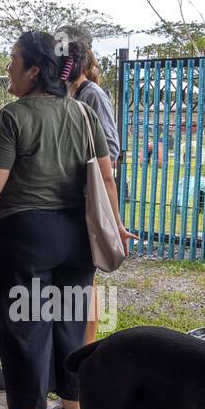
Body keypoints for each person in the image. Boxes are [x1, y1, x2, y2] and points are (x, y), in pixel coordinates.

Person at [0, 30, 133, 409]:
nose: (8, 67)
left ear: (35, 70)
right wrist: (115, 223)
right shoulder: (83, 114)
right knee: (70, 319)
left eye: (13, 59)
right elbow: (106, 177)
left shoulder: (12, 117)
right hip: (77, 236)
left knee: (24, 324)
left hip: (24, 236)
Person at [59, 26, 122, 346]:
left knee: (87, 283)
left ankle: (87, 349)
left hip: (89, 198)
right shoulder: (69, 96)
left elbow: (110, 150)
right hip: (73, 202)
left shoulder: (92, 95)